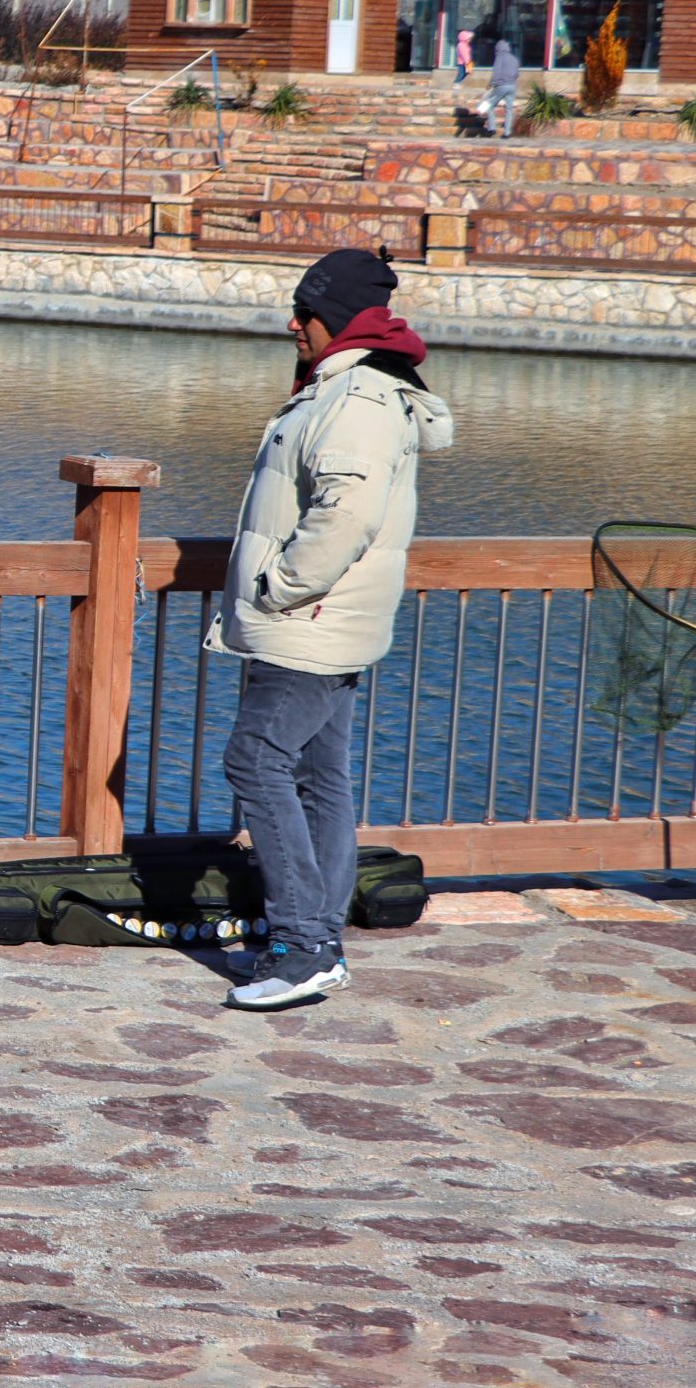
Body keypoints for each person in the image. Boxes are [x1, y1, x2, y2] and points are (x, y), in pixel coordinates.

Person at [209, 249, 452, 1012]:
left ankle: (303, 944)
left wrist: (279, 587)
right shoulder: (355, 390)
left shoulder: (355, 401)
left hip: (308, 622)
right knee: (319, 774)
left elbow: (344, 512)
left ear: (335, 321)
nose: (292, 324)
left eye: (303, 312)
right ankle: (319, 939)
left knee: (255, 759)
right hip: (326, 621)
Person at [486, 37, 520, 138]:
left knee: (489, 105)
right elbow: (517, 73)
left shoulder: (500, 57)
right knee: (509, 109)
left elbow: (496, 71)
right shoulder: (514, 58)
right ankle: (507, 133)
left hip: (501, 85)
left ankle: (492, 128)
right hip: (512, 86)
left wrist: (492, 83)